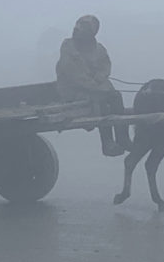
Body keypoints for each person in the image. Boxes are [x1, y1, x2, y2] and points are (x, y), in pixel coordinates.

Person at [56, 15, 132, 156]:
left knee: (116, 97)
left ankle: (123, 138)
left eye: (82, 28)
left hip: (97, 87)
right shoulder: (68, 47)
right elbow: (74, 74)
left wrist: (100, 77)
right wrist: (96, 86)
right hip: (73, 91)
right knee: (101, 101)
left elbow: (105, 66)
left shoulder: (99, 48)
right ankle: (107, 142)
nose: (77, 29)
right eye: (77, 26)